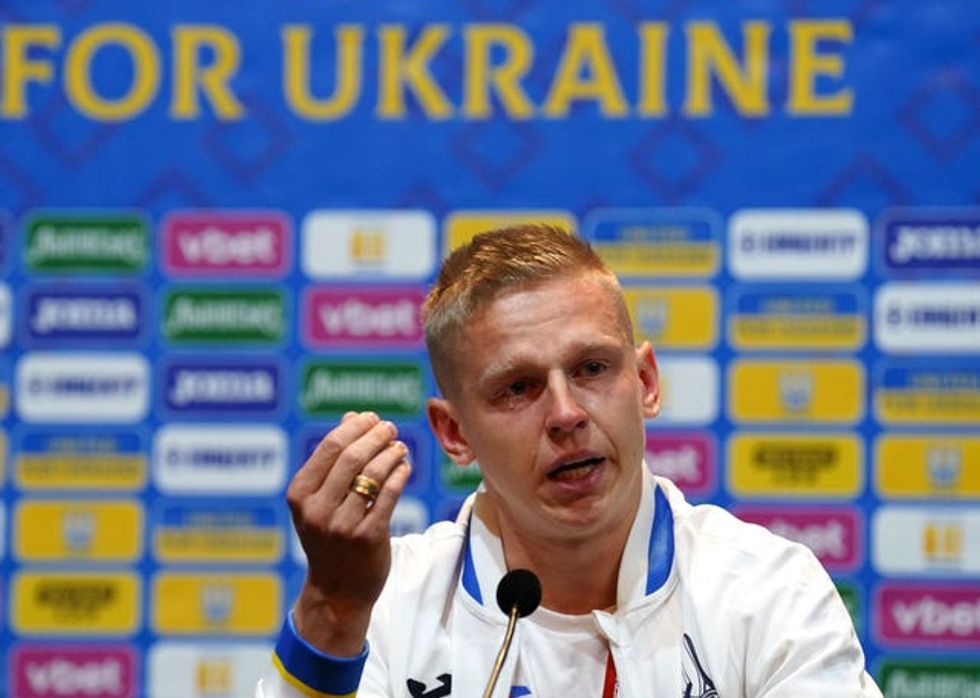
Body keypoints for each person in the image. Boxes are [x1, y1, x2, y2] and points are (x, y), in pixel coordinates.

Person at [256, 224, 882, 697]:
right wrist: (333, 608)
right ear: (454, 433)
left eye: (592, 369)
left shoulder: (767, 592)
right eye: (518, 388)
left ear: (646, 383)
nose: (565, 413)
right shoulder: (387, 610)